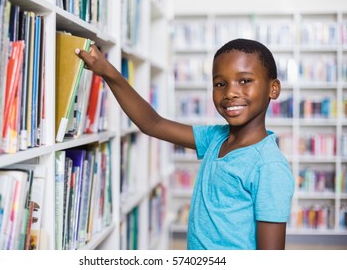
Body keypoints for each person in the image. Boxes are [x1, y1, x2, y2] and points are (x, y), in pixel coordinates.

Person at [75, 38, 295, 250]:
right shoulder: (216, 138)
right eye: (220, 83)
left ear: (273, 89)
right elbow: (153, 124)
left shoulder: (269, 167)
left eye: (244, 81)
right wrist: (109, 73)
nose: (230, 93)